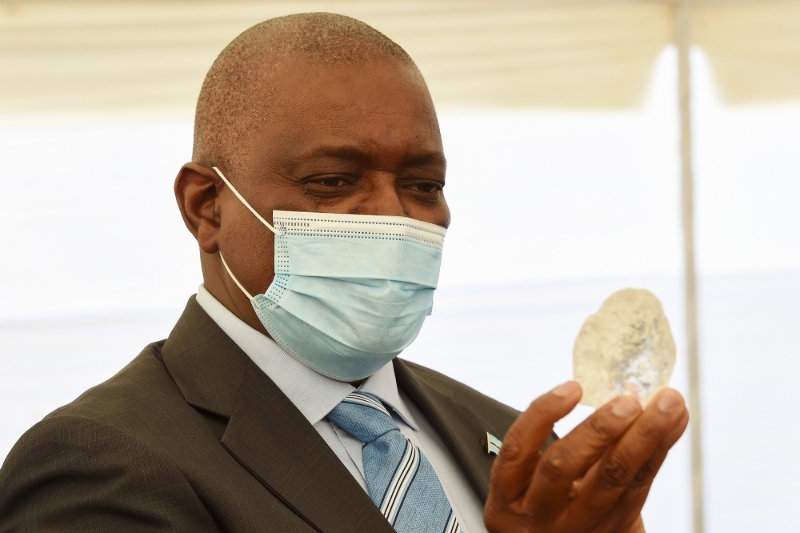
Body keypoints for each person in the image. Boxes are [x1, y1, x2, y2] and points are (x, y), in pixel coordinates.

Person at [0, 13, 688, 533]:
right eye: (332, 180)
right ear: (206, 207)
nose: (392, 216)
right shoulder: (100, 463)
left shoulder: (508, 441)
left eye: (423, 184)